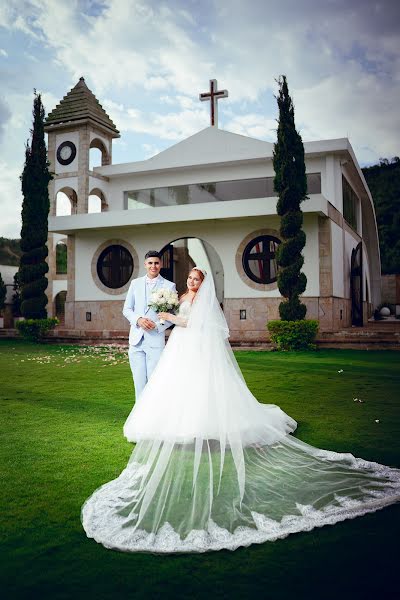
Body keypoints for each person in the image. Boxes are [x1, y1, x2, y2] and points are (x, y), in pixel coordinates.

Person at [82, 268, 400, 554]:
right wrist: (168, 312)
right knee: (176, 386)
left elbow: (191, 322)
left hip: (192, 344)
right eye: (190, 279)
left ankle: (202, 423)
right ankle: (178, 423)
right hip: (178, 346)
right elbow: (178, 316)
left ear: (203, 284)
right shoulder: (179, 295)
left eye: (196, 279)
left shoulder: (204, 303)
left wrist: (169, 317)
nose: (192, 282)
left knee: (199, 386)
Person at [122, 250, 176, 401]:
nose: (153, 266)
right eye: (150, 263)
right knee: (139, 383)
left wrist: (158, 326)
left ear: (161, 264)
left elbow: (173, 315)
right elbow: (126, 309)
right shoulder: (135, 284)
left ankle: (153, 418)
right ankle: (139, 420)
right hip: (136, 340)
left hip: (155, 340)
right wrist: (138, 319)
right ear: (145, 264)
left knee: (154, 382)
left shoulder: (169, 286)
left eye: (156, 263)